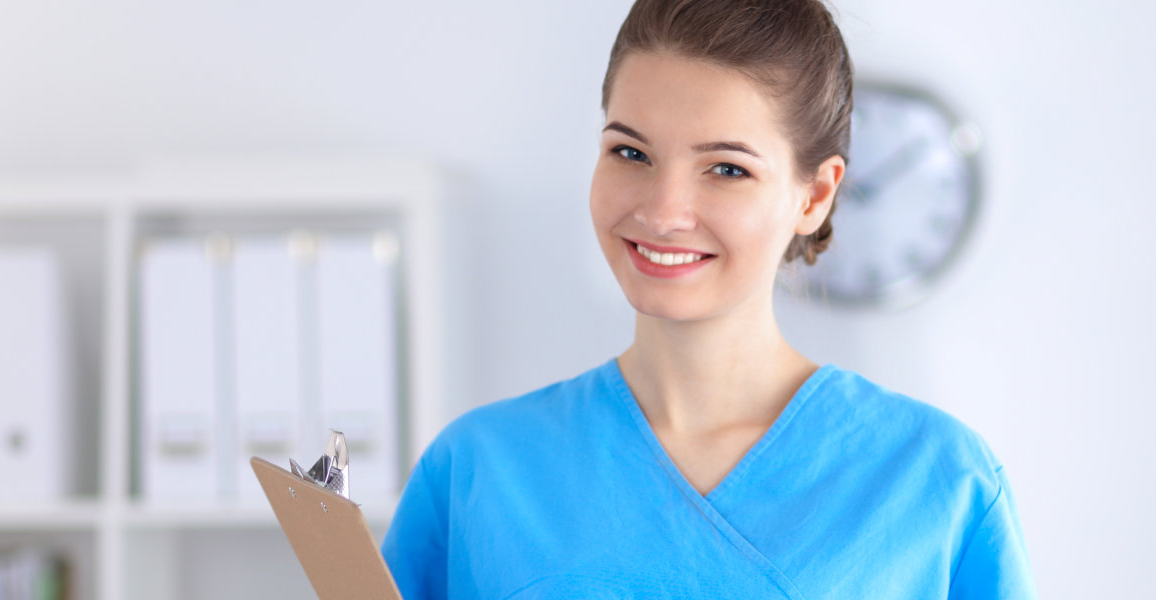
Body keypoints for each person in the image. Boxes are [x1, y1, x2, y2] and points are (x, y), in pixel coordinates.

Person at [381, 0, 1035, 597]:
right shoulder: (481, 470)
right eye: (631, 152)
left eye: (727, 169)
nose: (663, 213)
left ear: (814, 196)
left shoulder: (936, 479)